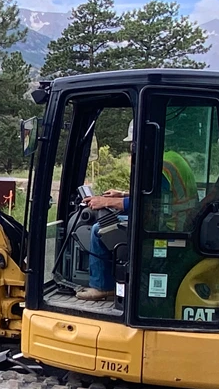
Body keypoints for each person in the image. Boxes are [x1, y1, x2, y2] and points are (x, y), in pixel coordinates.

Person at [76, 120, 199, 302]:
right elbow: (156, 194)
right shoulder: (173, 158)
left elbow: (150, 203)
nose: (132, 148)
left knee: (98, 231)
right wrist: (123, 194)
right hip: (178, 220)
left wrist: (107, 202)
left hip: (170, 226)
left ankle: (102, 286)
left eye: (134, 143)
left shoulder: (163, 166)